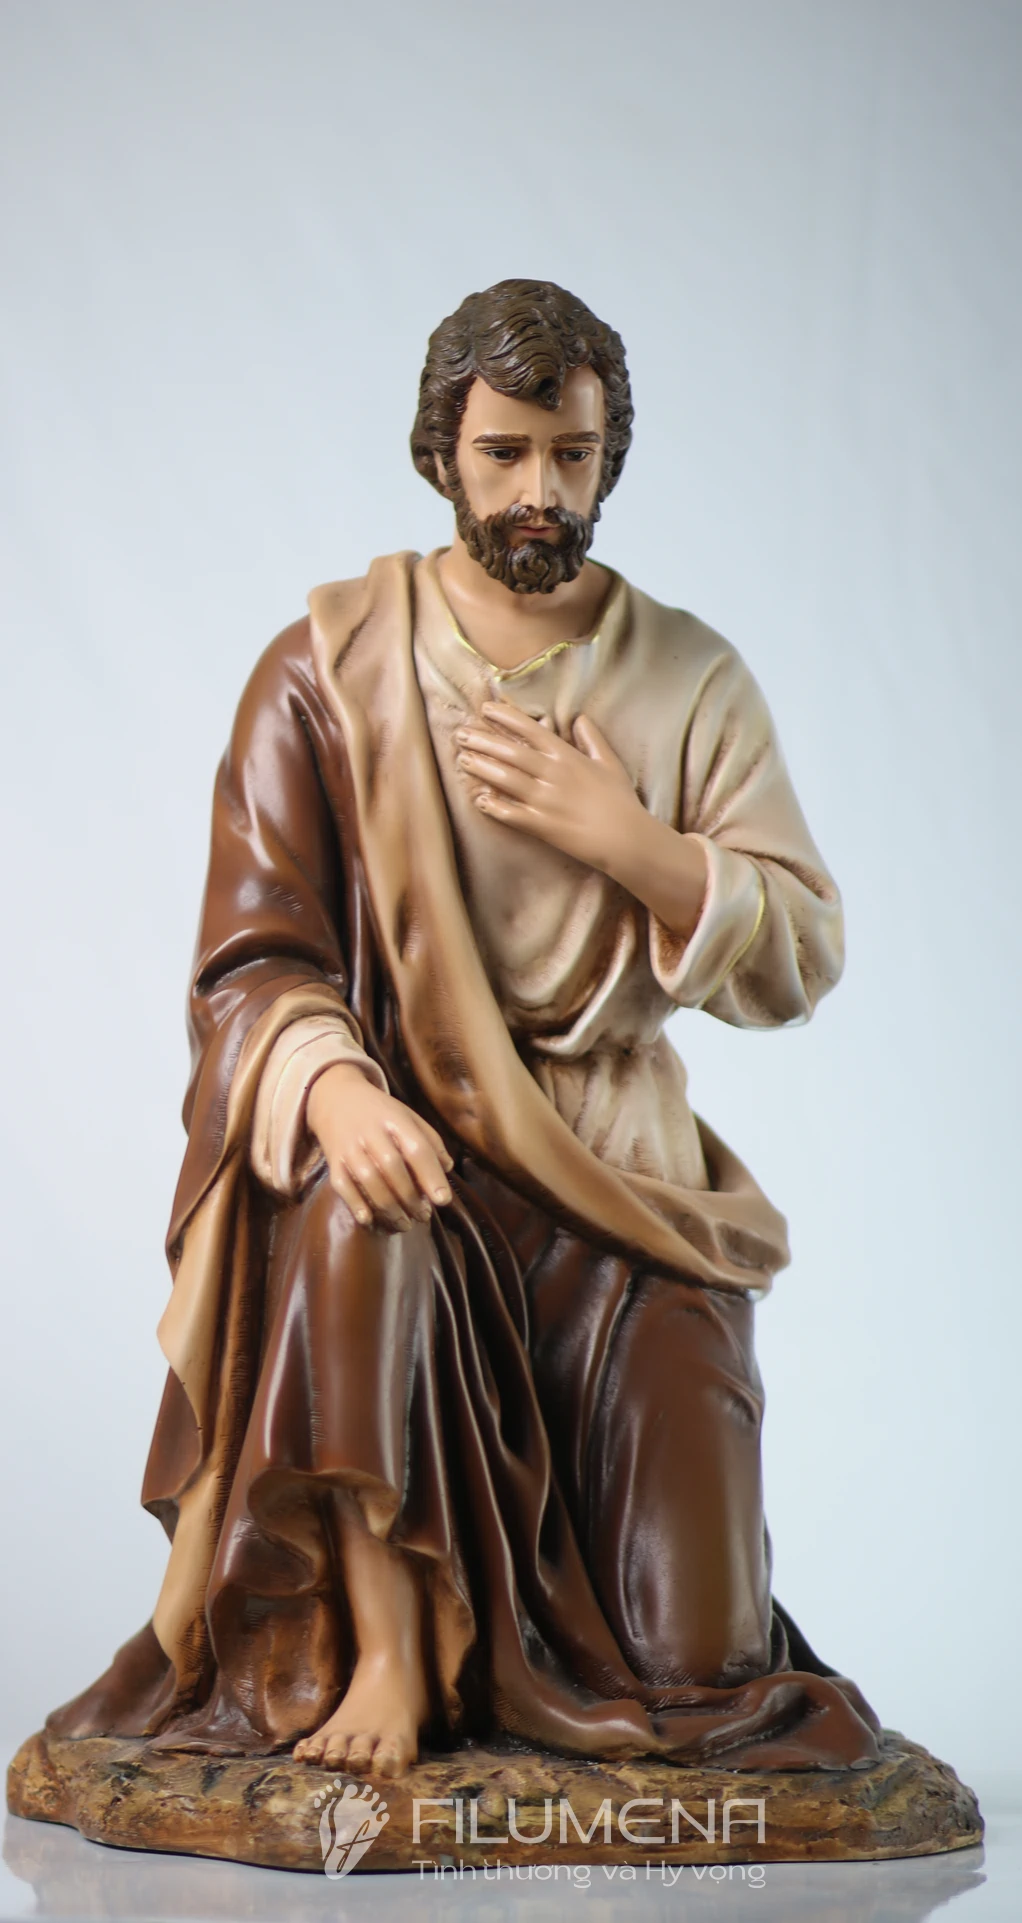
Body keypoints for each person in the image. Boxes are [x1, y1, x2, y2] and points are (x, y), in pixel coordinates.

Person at [46, 279, 880, 1780]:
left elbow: (803, 952)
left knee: (700, 1668)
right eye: (505, 453)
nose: (539, 488)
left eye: (572, 453)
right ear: (442, 451)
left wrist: (633, 843)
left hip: (621, 1189)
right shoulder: (329, 669)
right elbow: (252, 958)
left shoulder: (690, 676)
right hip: (417, 1161)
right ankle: (388, 1651)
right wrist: (335, 1089)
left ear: (609, 455)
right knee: (353, 1198)